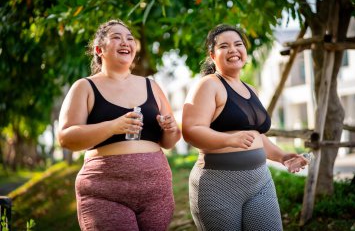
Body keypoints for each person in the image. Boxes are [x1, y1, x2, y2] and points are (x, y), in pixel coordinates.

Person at [182, 24, 309, 231]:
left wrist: (283, 156)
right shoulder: (209, 84)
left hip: (260, 182)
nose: (233, 49)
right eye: (224, 46)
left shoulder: (251, 90)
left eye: (238, 44)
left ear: (245, 52)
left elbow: (256, 137)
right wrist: (228, 140)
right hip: (218, 185)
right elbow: (191, 130)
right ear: (213, 55)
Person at [57, 19, 181, 231]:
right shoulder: (85, 87)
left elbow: (170, 141)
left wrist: (171, 128)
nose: (125, 42)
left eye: (130, 38)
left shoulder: (151, 85)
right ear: (99, 49)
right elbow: (66, 138)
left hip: (156, 193)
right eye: (116, 37)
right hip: (105, 192)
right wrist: (114, 126)